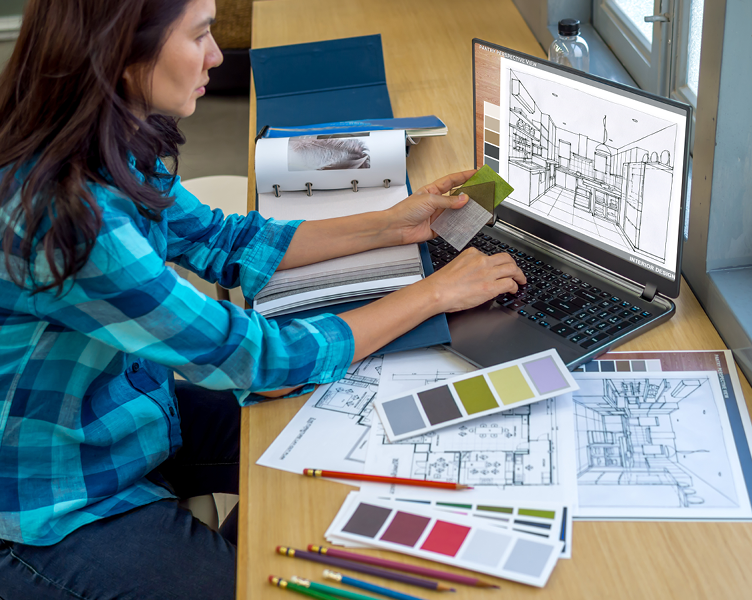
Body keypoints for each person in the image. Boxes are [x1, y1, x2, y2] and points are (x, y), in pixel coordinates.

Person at [0, 0, 525, 598]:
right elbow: (254, 359)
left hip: (116, 415)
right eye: (200, 35)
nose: (218, 55)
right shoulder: (75, 224)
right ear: (123, 54)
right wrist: (432, 294)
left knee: (345, 456)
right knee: (269, 581)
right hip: (47, 498)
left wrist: (392, 225)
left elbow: (227, 240)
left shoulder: (109, 147)